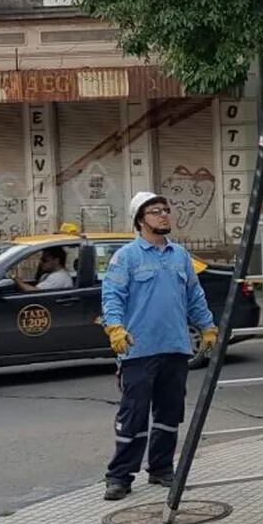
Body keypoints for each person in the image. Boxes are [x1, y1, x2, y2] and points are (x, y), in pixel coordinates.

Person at [100, 192, 217, 501]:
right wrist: (115, 328)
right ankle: (120, 477)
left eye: (166, 210)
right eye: (155, 211)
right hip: (138, 350)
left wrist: (207, 327)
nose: (164, 215)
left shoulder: (180, 256)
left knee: (169, 413)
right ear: (140, 219)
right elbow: (112, 295)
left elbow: (195, 296)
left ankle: (162, 469)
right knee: (133, 415)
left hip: (176, 348)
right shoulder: (126, 257)